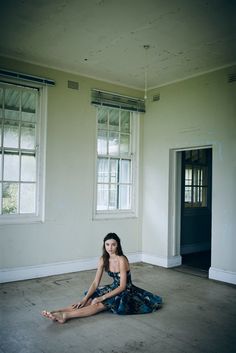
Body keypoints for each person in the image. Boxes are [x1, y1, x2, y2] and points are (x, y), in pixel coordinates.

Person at [42, 233, 162, 323]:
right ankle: (57, 311)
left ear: (118, 245)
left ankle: (65, 316)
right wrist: (85, 298)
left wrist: (102, 297)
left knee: (99, 304)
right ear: (104, 245)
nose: (110, 248)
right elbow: (95, 283)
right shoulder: (102, 259)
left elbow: (122, 286)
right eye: (107, 244)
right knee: (88, 301)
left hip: (125, 290)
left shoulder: (122, 260)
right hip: (113, 287)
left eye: (113, 245)